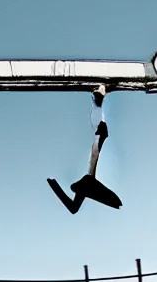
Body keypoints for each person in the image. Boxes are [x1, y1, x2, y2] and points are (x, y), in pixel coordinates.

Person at [47, 85, 122, 214]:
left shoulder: (100, 133)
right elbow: (94, 153)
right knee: (74, 208)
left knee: (74, 208)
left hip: (89, 180)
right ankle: (99, 98)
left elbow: (94, 154)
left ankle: (98, 98)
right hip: (89, 180)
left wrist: (54, 185)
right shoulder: (100, 133)